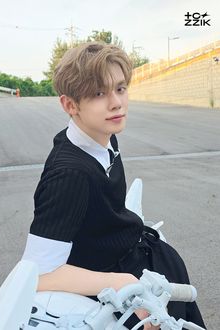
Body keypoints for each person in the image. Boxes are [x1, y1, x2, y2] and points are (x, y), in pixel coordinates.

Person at [22, 42, 206, 329]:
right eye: (98, 93)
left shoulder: (103, 135)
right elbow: (38, 273)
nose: (116, 102)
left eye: (120, 88)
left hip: (145, 263)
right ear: (70, 105)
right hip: (121, 289)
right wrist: (121, 283)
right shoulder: (69, 174)